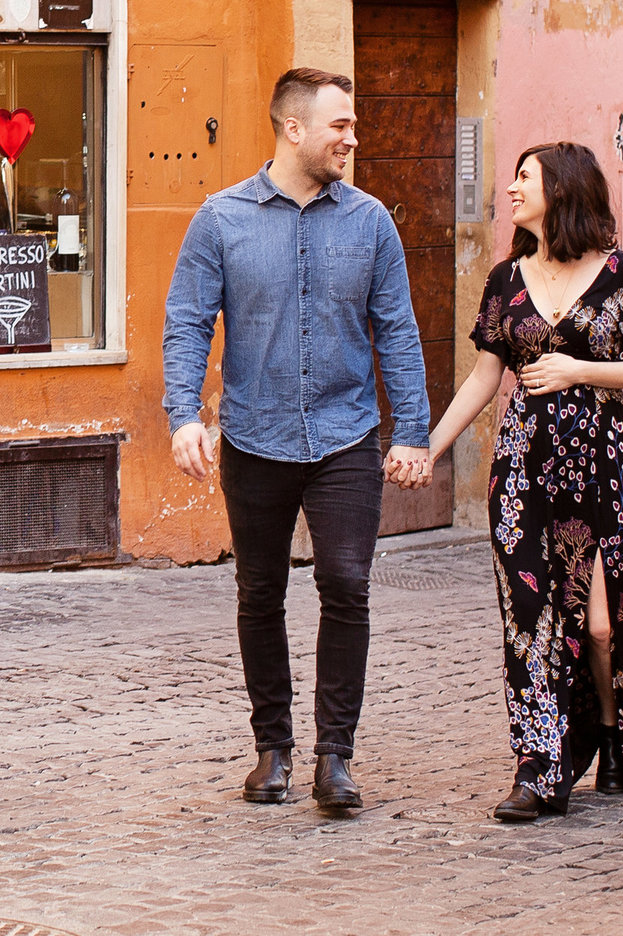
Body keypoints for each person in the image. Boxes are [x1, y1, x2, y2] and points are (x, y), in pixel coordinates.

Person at [162, 67, 431, 813]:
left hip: (346, 436)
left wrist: (413, 430)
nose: (353, 136)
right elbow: (188, 319)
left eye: (353, 124)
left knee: (346, 584)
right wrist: (185, 413)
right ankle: (271, 750)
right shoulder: (221, 220)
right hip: (254, 435)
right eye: (340, 124)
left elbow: (398, 331)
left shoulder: (371, 222)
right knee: (260, 590)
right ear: (293, 129)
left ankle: (334, 757)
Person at [421, 141, 623, 821]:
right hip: (523, 476)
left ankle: (605, 729)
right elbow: (485, 377)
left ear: (561, 191)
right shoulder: (506, 278)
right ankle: (538, 766)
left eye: (524, 178)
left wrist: (578, 370)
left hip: (601, 474)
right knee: (529, 624)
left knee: (601, 627)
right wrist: (429, 449)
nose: (510, 189)